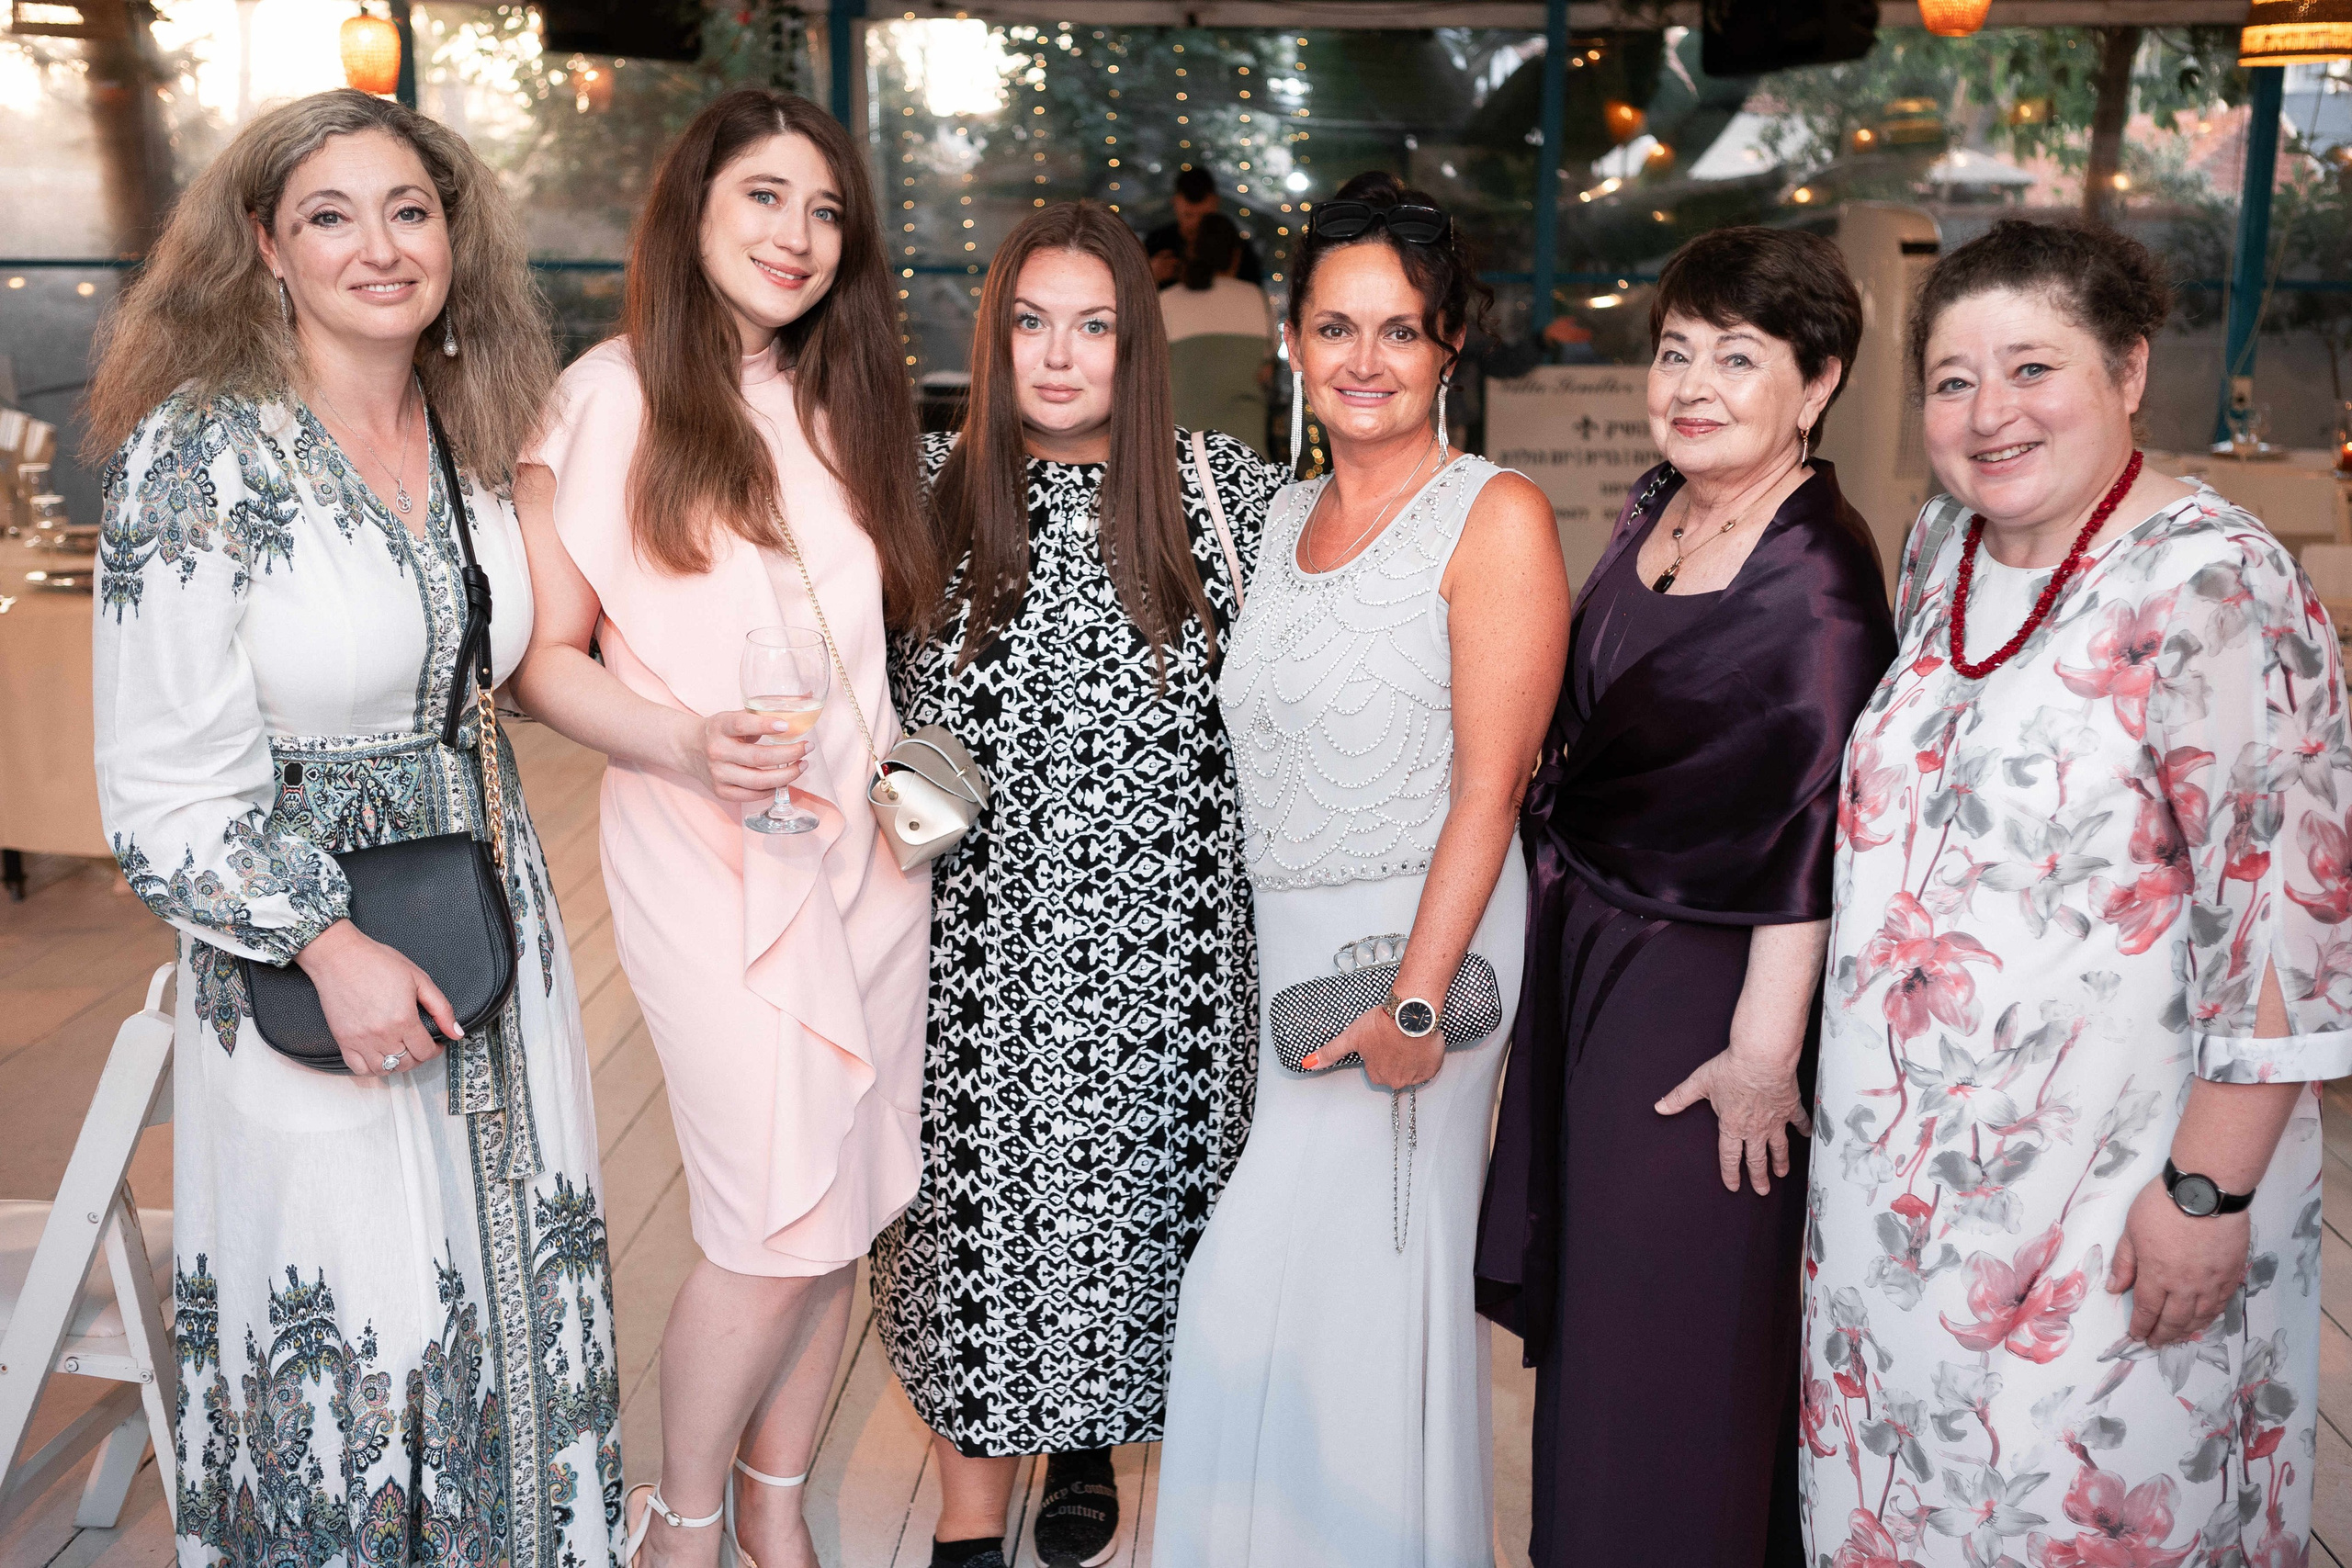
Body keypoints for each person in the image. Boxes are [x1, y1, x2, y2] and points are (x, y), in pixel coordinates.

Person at [85, 89, 619, 1566]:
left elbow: (524, 656)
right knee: (361, 1325)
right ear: (263, 244)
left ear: (455, 235)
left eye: (410, 209)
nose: (380, 247)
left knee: (516, 1310)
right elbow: (163, 787)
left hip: (493, 937)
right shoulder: (202, 456)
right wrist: (328, 945)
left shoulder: (474, 428)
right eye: (330, 214)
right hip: (310, 960)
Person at [1804, 218, 2351, 1567]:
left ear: (2127, 370)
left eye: (2031, 367)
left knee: (2083, 1520)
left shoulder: (2217, 583)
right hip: (1902, 1208)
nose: (1989, 413)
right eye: (1951, 378)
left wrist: (2208, 1193)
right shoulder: (1946, 545)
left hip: (2112, 1204)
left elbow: (2285, 919)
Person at [508, 87, 936, 1568]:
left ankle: (773, 1507)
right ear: (691, 208)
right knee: (768, 1216)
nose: (798, 235)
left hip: (867, 856)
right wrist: (689, 739)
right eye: (764, 196)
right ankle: (679, 1524)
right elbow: (543, 661)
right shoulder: (606, 396)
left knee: (845, 1204)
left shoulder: (843, 399)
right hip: (704, 845)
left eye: (825, 212)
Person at [1154, 175, 1571, 1566]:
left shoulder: (1493, 514)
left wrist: (1412, 998)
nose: (1365, 361)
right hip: (1293, 938)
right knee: (1314, 1297)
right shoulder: (1278, 522)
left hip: (1426, 949)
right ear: (1291, 342)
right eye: (1336, 327)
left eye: (1401, 330)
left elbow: (1491, 784)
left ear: (1451, 343)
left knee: (1304, 1287)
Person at [871, 199, 1286, 1568]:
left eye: (1095, 326)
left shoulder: (1221, 494)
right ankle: (968, 1528)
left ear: (1140, 343)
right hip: (972, 964)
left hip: (1164, 969)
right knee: (977, 1255)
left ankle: (1095, 1444)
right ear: (993, 340)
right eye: (1031, 325)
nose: (1059, 358)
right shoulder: (923, 489)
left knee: (1125, 1250)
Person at [1472, 227, 1896, 1568]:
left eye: (1738, 355)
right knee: (1600, 1319)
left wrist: (1764, 1056)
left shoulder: (1819, 579)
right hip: (1593, 949)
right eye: (1675, 350)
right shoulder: (1661, 501)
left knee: (1674, 1331)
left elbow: (1820, 821)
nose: (1692, 382)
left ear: (1818, 381)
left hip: (1708, 999)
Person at [1161, 212, 1278, 457]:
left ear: (1191, 251)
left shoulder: (1166, 302)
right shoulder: (1256, 298)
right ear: (1236, 255)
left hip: (1181, 454)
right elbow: (1266, 373)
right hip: (1247, 454)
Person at [1144, 165, 1262, 288]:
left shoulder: (1236, 247)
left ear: (1216, 202)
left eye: (1204, 216)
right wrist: (1150, 276)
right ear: (1175, 202)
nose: (1196, 223)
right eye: (1188, 215)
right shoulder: (1157, 242)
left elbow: (1252, 292)